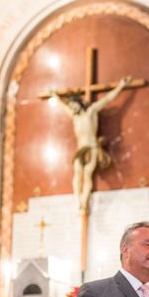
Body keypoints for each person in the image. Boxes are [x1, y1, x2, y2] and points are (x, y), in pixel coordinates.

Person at [53, 76, 130, 212]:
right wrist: (55, 96)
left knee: (87, 173)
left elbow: (108, 99)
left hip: (92, 147)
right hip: (80, 148)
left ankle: (84, 201)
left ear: (78, 103)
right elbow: (62, 107)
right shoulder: (74, 116)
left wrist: (121, 85)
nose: (71, 107)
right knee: (77, 174)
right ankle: (77, 200)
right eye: (70, 106)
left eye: (73, 104)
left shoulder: (91, 111)